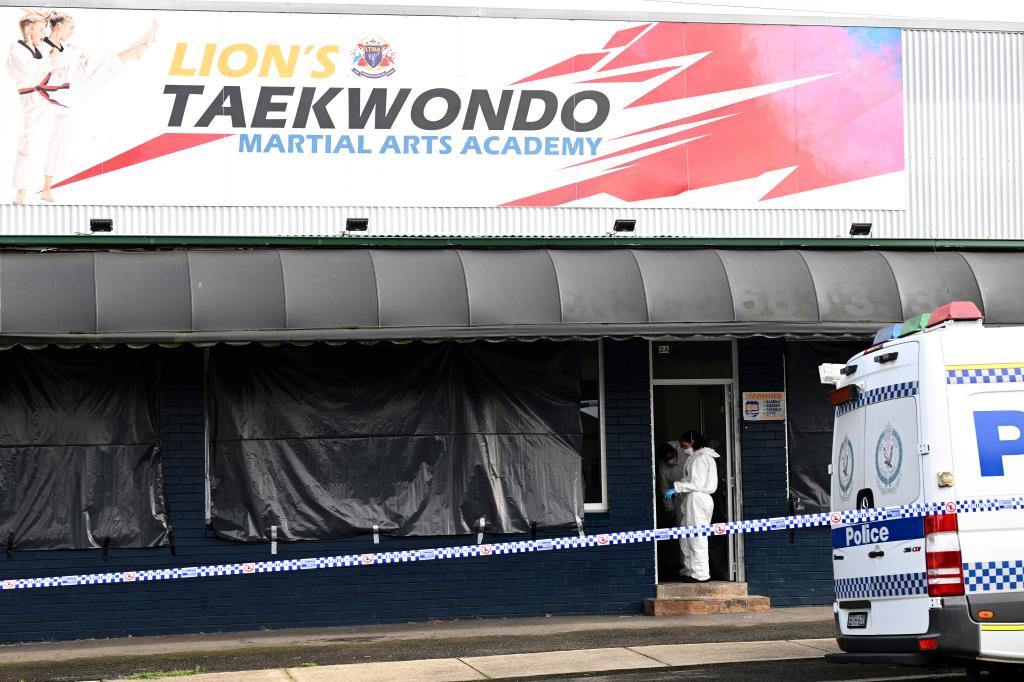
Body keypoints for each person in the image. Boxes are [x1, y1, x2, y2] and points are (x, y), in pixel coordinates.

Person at [38, 12, 158, 202]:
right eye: (71, 28)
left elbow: (60, 63)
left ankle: (136, 49)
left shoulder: (60, 46)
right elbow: (47, 68)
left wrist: (72, 54)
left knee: (105, 69)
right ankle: (137, 48)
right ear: (58, 27)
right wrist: (70, 54)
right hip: (61, 89)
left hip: (70, 90)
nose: (72, 32)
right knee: (99, 62)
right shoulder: (46, 45)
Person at [7, 11, 60, 205]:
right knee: (27, 145)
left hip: (44, 97)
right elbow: (30, 69)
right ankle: (21, 193)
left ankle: (45, 187)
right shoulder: (17, 49)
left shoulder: (39, 50)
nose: (43, 34)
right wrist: (50, 60)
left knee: (52, 140)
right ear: (29, 30)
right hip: (28, 99)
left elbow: (50, 49)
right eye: (40, 29)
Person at [662, 430, 720, 583]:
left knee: (696, 537)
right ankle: (690, 570)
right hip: (693, 499)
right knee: (687, 536)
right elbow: (690, 479)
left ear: (692, 441)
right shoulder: (695, 457)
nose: (683, 446)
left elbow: (697, 483)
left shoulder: (701, 458)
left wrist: (678, 487)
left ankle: (700, 574)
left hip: (698, 499)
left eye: (685, 443)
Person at [656, 440, 690, 576]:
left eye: (672, 457)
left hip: (695, 495)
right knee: (683, 536)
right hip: (679, 499)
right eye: (667, 459)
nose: (670, 461)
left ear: (676, 452)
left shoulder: (684, 451)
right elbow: (664, 488)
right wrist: (670, 509)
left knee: (698, 534)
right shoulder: (663, 467)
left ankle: (701, 568)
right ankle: (686, 569)